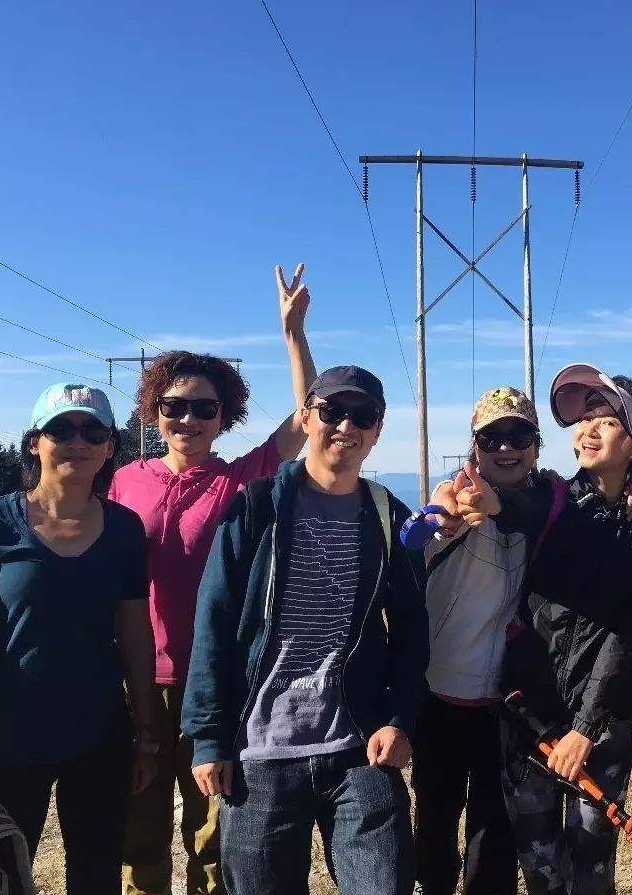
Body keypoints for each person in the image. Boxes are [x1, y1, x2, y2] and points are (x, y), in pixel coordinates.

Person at [182, 365, 428, 895]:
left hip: (358, 746)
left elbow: (412, 630)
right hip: (259, 753)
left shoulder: (388, 516)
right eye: (332, 412)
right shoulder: (256, 506)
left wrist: (399, 719)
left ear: (378, 429)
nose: (346, 426)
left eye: (362, 416)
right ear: (306, 416)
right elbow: (215, 619)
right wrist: (208, 739)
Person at [111, 264, 315, 895]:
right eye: (175, 406)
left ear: (225, 416)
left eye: (205, 408)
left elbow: (307, 423)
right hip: (135, 679)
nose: (188, 419)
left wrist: (293, 336)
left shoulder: (238, 481)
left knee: (212, 834)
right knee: (137, 829)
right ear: (154, 410)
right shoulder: (123, 480)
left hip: (214, 681)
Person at [455, 363, 632, 895]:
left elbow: (631, 633)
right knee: (541, 862)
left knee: (593, 859)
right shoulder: (554, 498)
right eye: (585, 419)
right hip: (526, 712)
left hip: (602, 723)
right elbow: (517, 503)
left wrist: (586, 728)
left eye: (609, 421)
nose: (589, 429)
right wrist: (488, 501)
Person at [0, 383, 157, 895]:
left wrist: (146, 732)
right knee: (1, 878)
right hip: (7, 740)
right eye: (61, 428)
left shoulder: (124, 529)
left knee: (97, 876)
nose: (76, 441)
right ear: (35, 441)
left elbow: (134, 634)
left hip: (100, 738)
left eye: (92, 431)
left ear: (109, 447)